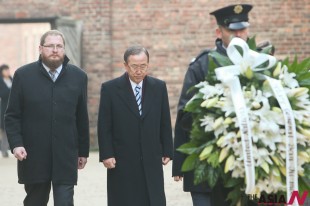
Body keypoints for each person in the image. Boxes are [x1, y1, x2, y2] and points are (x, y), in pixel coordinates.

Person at [172, 4, 262, 206]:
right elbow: (185, 115)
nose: (238, 34)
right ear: (219, 32)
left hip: (251, 167)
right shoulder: (202, 65)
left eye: (243, 29)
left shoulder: (261, 62)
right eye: (232, 30)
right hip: (209, 168)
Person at [4, 30, 89, 206]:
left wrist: (83, 151)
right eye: (50, 46)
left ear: (64, 49)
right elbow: (12, 115)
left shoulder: (79, 77)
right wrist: (16, 144)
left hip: (66, 154)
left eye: (59, 46)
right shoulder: (23, 75)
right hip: (33, 154)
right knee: (35, 201)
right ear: (40, 48)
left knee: (65, 202)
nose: (55, 50)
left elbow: (81, 117)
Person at [97, 45, 173, 206]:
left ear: (148, 64)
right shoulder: (110, 89)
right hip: (122, 158)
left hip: (151, 155)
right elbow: (104, 125)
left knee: (153, 198)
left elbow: (164, 120)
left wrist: (167, 149)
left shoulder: (158, 87)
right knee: (125, 199)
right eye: (134, 66)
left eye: (143, 66)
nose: (139, 71)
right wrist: (106, 154)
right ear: (125, 66)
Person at [0, 64, 12, 157]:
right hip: (4, 107)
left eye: (8, 70)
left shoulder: (12, 79)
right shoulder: (1, 81)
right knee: (4, 130)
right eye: (5, 70)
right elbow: (3, 94)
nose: (7, 72)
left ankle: (10, 148)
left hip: (13, 106)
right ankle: (4, 149)